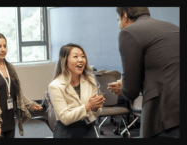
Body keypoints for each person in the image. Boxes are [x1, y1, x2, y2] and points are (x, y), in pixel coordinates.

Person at [108, 7, 180, 138]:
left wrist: (124, 86)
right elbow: (165, 72)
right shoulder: (174, 28)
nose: (119, 25)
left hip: (166, 115)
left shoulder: (129, 32)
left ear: (124, 15)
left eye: (118, 20)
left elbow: (130, 91)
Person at [48, 43, 105, 138]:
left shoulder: (90, 80)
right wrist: (88, 106)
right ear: (65, 60)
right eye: (75, 56)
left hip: (89, 130)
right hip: (66, 133)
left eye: (83, 56)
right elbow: (65, 118)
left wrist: (95, 108)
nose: (81, 60)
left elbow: (97, 113)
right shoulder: (55, 86)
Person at [0, 33, 43, 138]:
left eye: (5, 46)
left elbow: (17, 93)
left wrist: (30, 105)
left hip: (9, 121)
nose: (3, 49)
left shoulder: (10, 67)